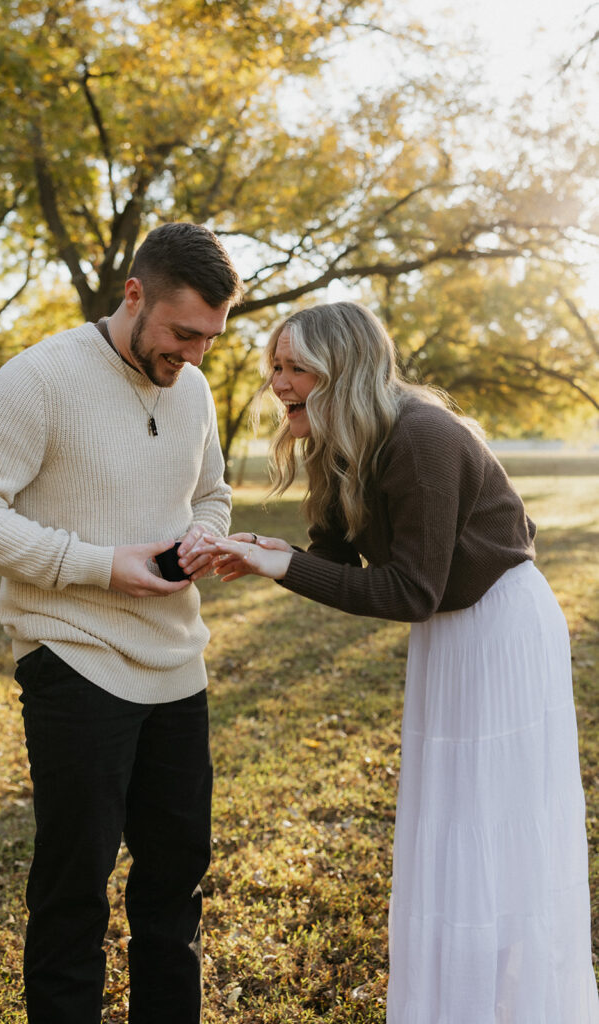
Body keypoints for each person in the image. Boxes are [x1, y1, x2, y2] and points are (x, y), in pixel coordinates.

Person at [197, 301, 599, 1023]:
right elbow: (330, 560)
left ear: (342, 371)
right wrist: (269, 553)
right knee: (448, 820)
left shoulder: (420, 435)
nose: (278, 383)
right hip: (445, 634)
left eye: (295, 369)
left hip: (497, 628)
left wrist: (280, 566)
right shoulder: (339, 442)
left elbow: (410, 589)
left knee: (492, 820)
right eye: (275, 368)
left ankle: (517, 1004)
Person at [0, 222, 244, 1024]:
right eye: (182, 333)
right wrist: (99, 564)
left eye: (209, 337)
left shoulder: (196, 390)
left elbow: (210, 492)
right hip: (74, 661)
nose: (194, 356)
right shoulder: (39, 378)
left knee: (175, 883)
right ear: (133, 295)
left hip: (179, 664)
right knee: (75, 888)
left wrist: (203, 535)